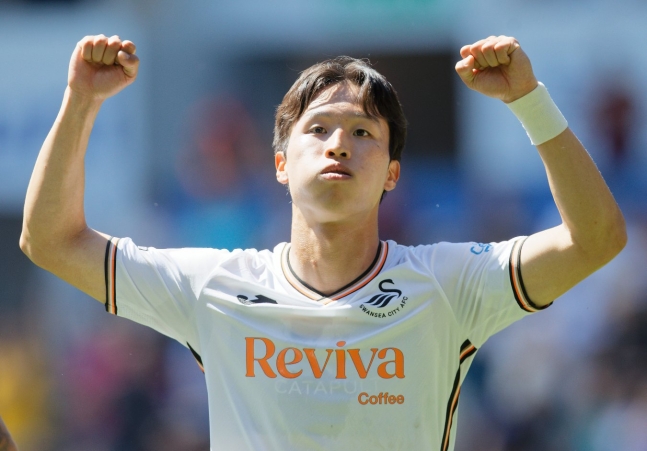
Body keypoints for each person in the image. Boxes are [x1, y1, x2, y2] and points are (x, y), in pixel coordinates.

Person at [20, 34, 626, 450]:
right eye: (319, 129)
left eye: (363, 132)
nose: (339, 144)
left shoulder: (448, 285)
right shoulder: (214, 286)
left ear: (392, 173)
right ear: (280, 164)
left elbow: (596, 239)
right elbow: (49, 240)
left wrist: (529, 101)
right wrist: (81, 100)